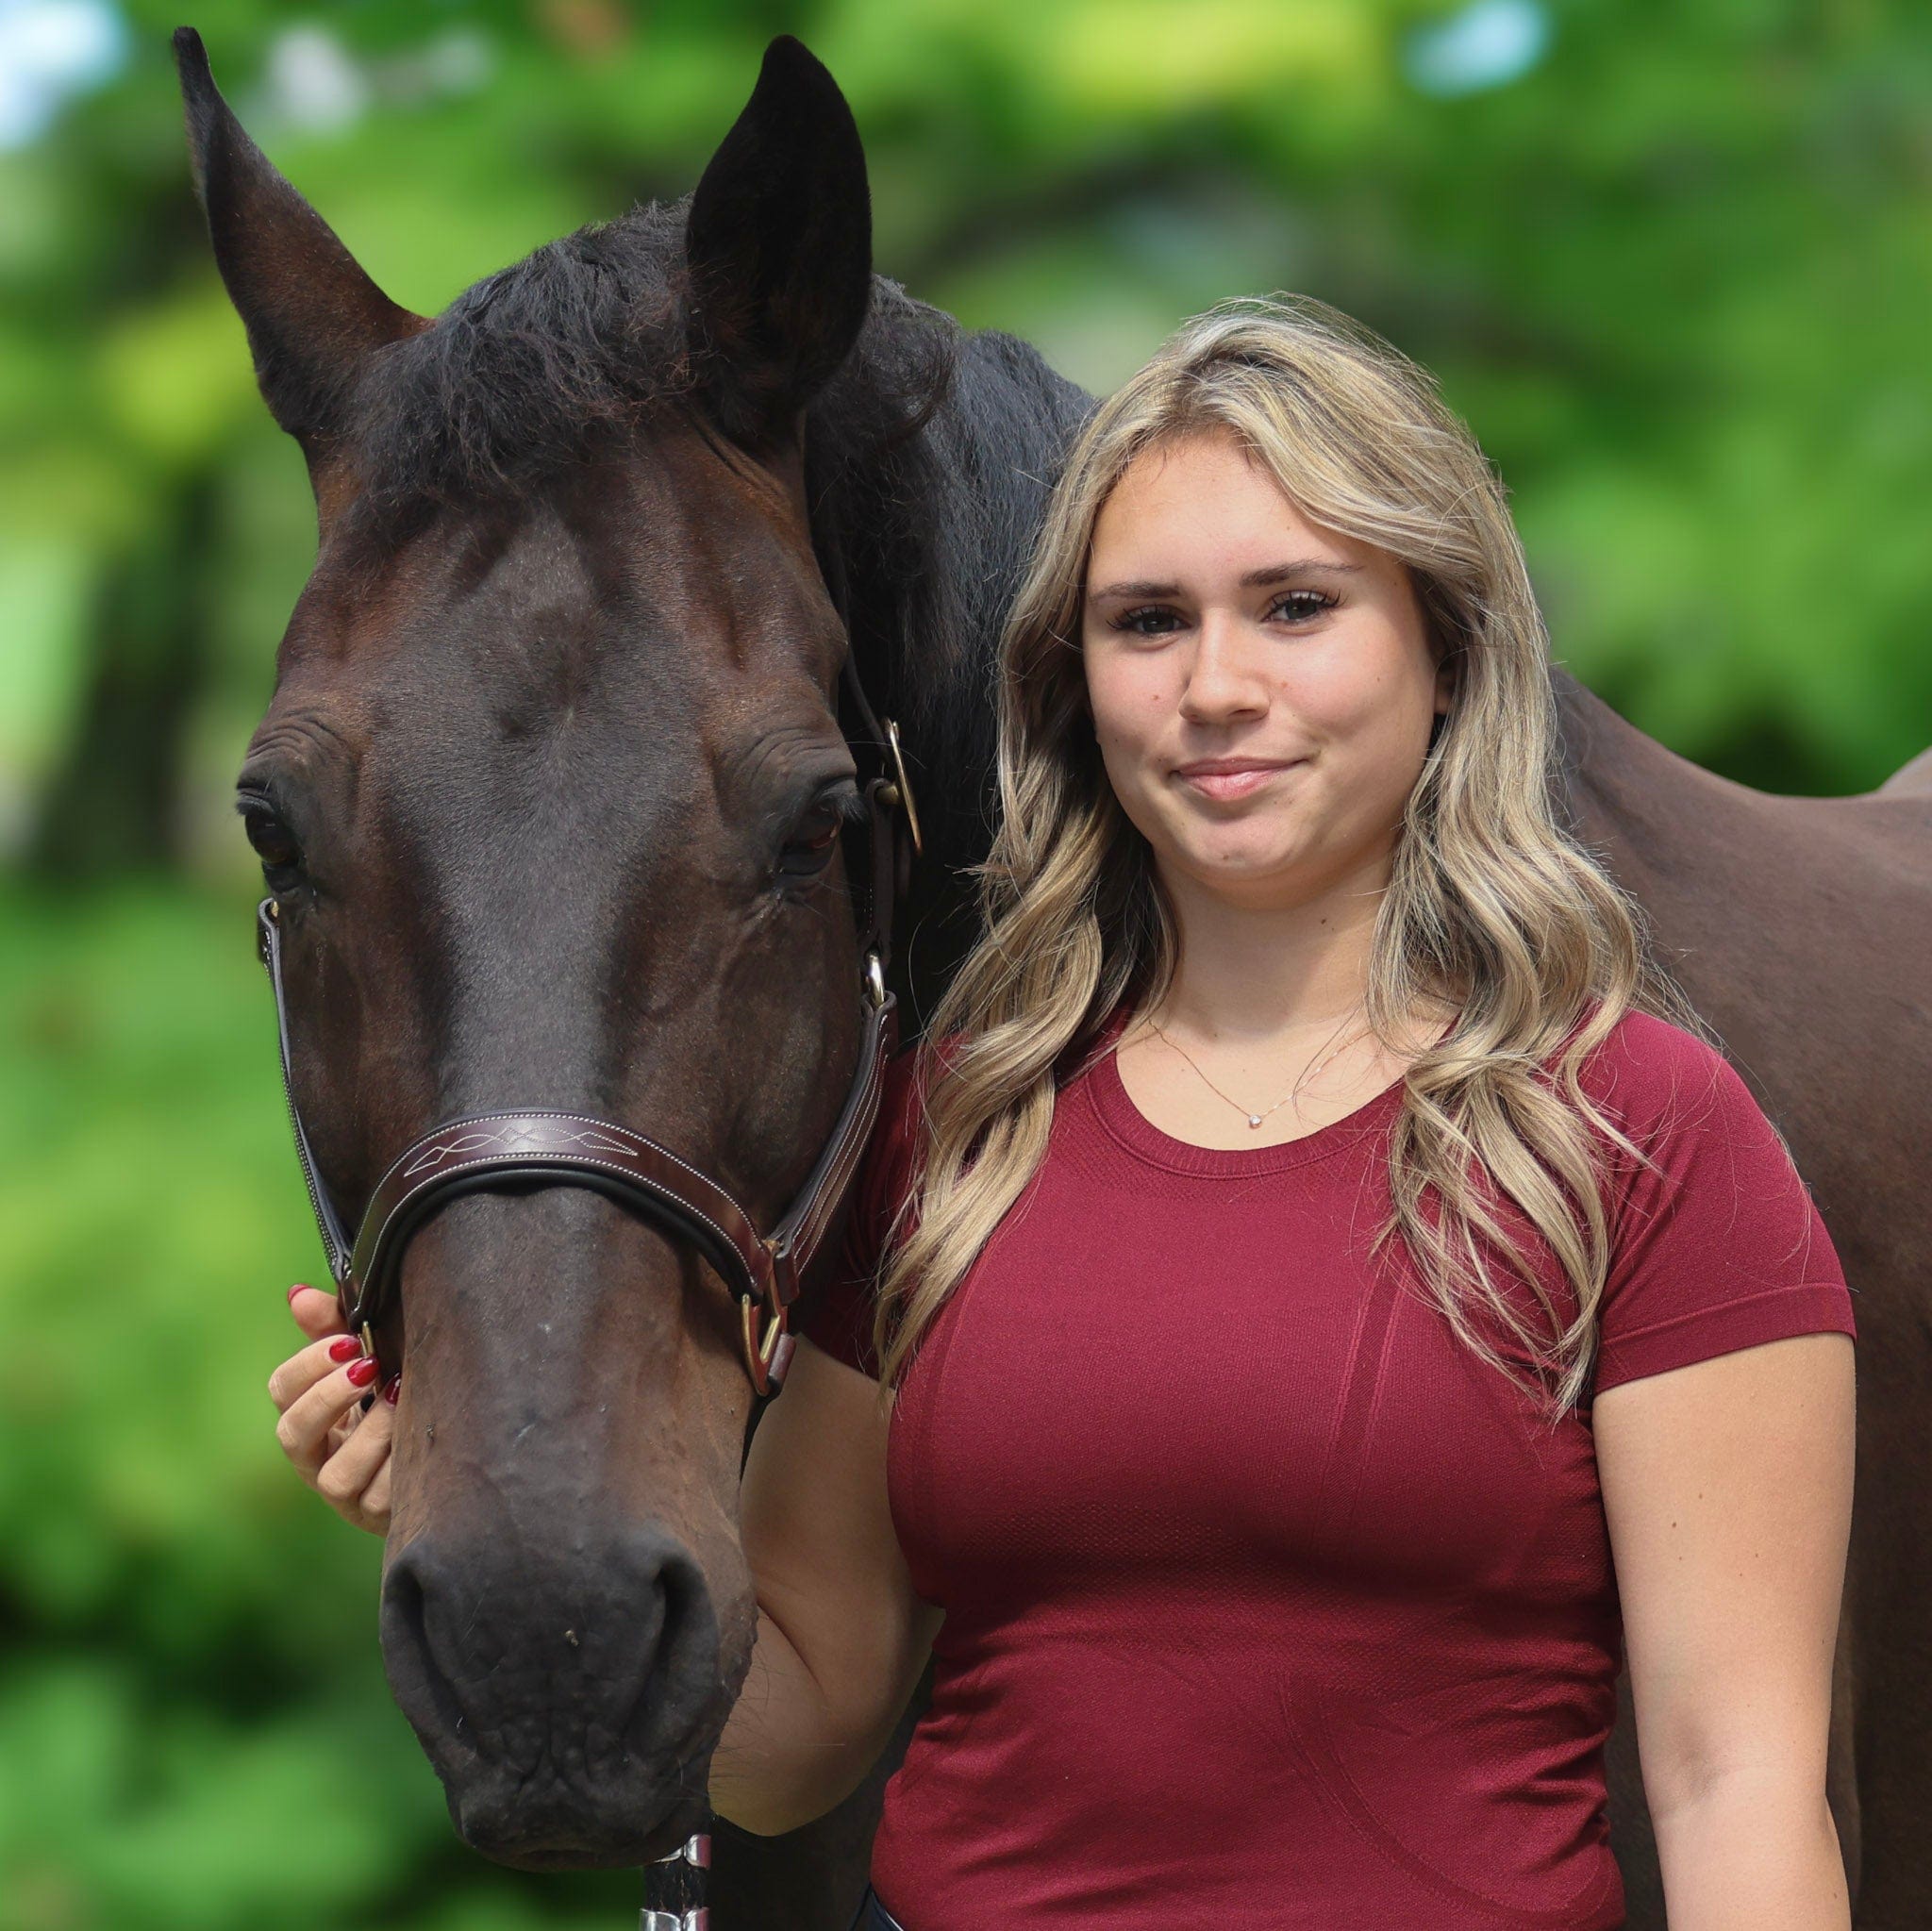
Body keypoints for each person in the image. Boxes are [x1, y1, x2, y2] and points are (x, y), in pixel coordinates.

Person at [270, 293, 1857, 1930]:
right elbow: (795, 1729)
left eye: (1298, 607)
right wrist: (451, 1488)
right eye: (1148, 622)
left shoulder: (1639, 1132)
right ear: (1074, 677)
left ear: (1443, 653)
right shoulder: (950, 1131)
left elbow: (1732, 1779)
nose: (1217, 686)